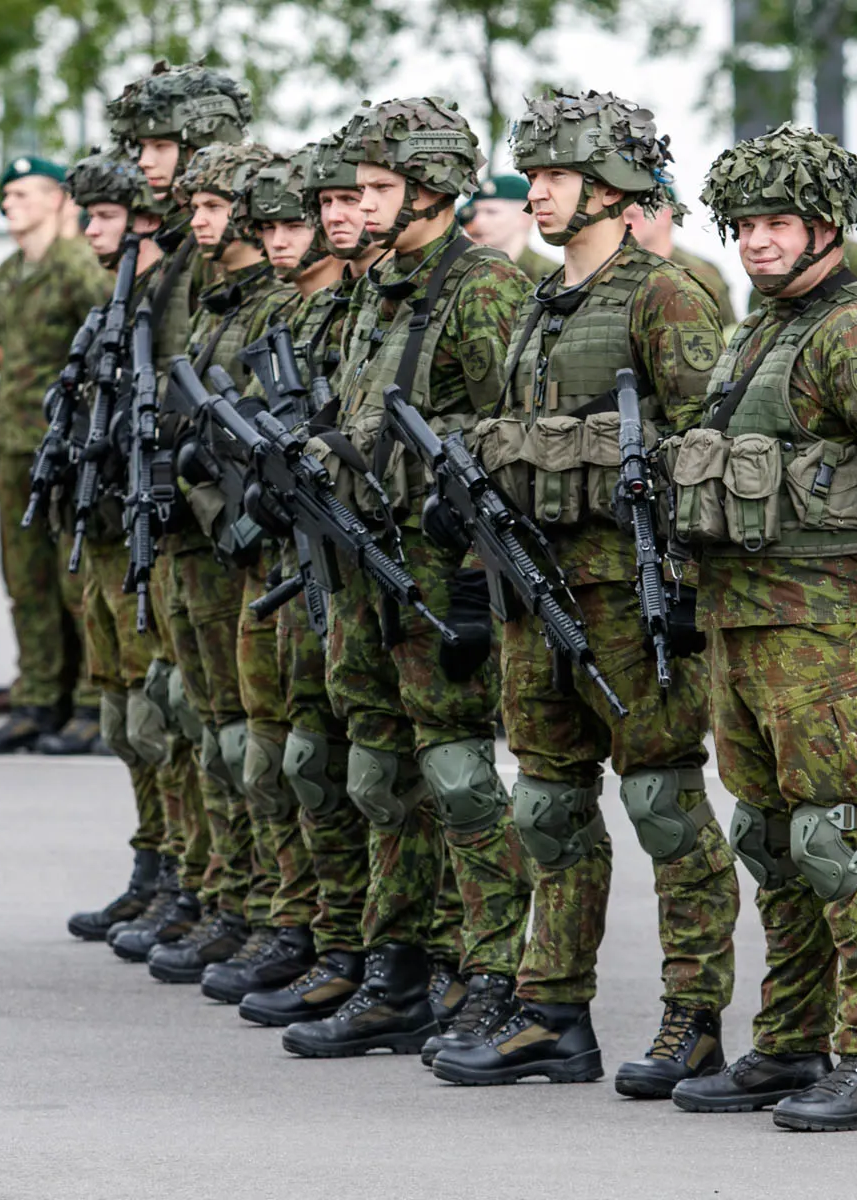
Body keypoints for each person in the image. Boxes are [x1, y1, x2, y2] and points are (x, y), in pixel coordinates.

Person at [427, 90, 741, 1092]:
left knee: (662, 802)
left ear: (612, 187)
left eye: (557, 175)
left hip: (629, 597)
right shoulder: (536, 303)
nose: (538, 193)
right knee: (547, 808)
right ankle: (552, 1013)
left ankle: (694, 1016)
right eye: (534, 176)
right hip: (536, 594)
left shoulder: (667, 296)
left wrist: (686, 593)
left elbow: (706, 453)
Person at [666, 125, 857, 1131]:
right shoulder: (758, 330)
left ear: (826, 226)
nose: (757, 241)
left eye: (778, 223)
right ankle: (791, 1041)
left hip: (822, 623)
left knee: (835, 837)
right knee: (769, 838)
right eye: (744, 225)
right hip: (740, 619)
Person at [281, 97, 534, 1061]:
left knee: (461, 777)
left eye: (380, 188)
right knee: (380, 776)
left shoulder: (482, 285)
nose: (359, 205)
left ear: (431, 189)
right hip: (365, 566)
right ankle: (399, 968)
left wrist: (476, 581)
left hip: (438, 575)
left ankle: (492, 970)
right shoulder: (375, 286)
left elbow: (510, 441)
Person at [99, 62, 252, 966]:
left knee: (232, 724)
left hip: (220, 518)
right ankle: (200, 882)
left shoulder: (223, 254)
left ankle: (238, 898)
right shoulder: (176, 255)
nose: (146, 162)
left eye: (160, 144)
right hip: (178, 512)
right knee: (187, 710)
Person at [237, 131, 383, 1027]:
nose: (333, 218)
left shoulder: (383, 303)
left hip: (373, 555)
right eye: (323, 203)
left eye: (344, 200)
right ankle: (331, 937)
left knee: (389, 771)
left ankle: (410, 959)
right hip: (301, 551)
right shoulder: (303, 316)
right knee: (306, 757)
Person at [143, 139, 295, 987]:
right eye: (195, 206)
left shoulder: (273, 304)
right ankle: (231, 897)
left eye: (213, 206)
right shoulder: (216, 304)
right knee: (212, 728)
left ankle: (272, 910)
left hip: (246, 545)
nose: (199, 220)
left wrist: (203, 491)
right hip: (202, 541)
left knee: (260, 740)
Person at [190, 150, 323, 1004]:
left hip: (333, 559)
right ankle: (287, 916)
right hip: (269, 552)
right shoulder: (267, 308)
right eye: (266, 225)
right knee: (262, 744)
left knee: (343, 762)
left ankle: (364, 946)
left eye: (292, 222)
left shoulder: (320, 309)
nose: (280, 239)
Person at [59, 152, 200, 941]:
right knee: (121, 714)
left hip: (152, 531)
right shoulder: (118, 302)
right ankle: (153, 860)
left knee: (160, 715)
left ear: (147, 223)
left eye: (107, 217)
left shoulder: (174, 300)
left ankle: (187, 872)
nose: (91, 230)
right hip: (107, 527)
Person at [0, 155, 109, 754]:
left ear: (57, 200)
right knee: (22, 579)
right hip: (16, 442)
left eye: (23, 193)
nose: (10, 204)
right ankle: (37, 698)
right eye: (6, 195)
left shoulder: (79, 267)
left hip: (67, 445)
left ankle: (91, 701)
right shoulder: (8, 273)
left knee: (73, 578)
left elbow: (107, 352)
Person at [624, 190, 738, 328]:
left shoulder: (699, 274)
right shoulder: (618, 268)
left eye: (631, 215)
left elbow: (728, 332)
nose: (624, 223)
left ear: (665, 214)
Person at [459, 173, 559, 281]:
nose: (477, 221)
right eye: (475, 212)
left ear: (524, 218)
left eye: (491, 212)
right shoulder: (462, 271)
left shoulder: (550, 277)